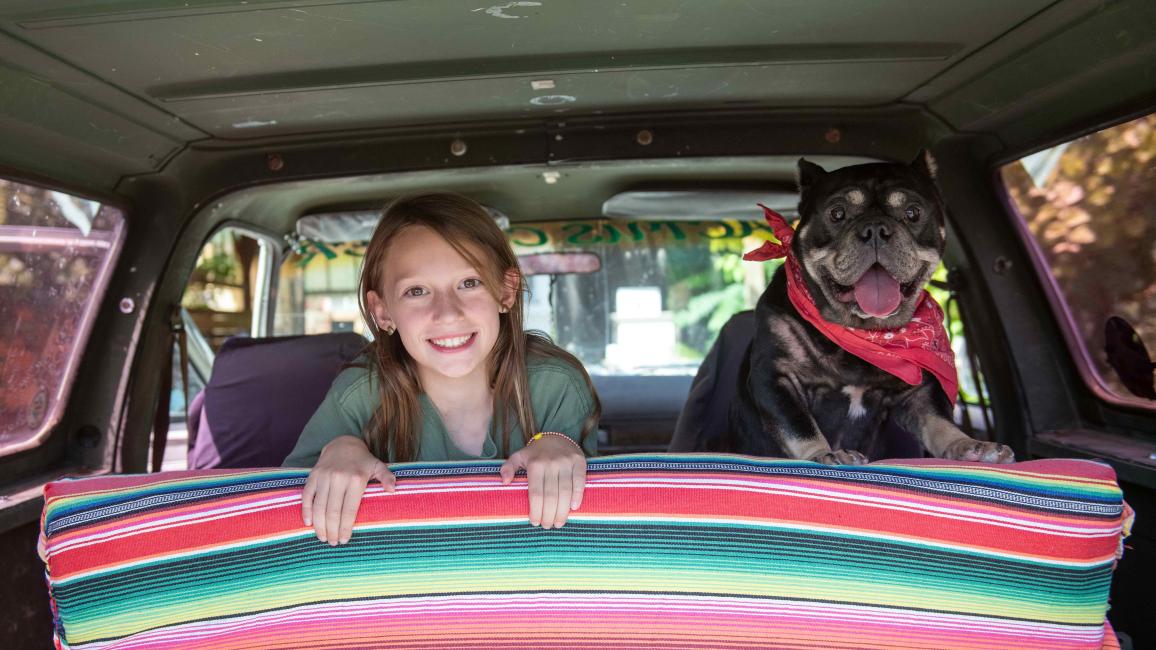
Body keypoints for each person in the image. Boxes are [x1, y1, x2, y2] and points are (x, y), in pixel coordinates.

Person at [283, 192, 600, 545]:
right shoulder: (361, 394)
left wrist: (560, 445)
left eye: (469, 283)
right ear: (383, 311)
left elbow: (587, 532)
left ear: (506, 291)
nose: (447, 313)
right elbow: (282, 513)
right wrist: (339, 449)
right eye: (417, 291)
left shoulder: (554, 385)